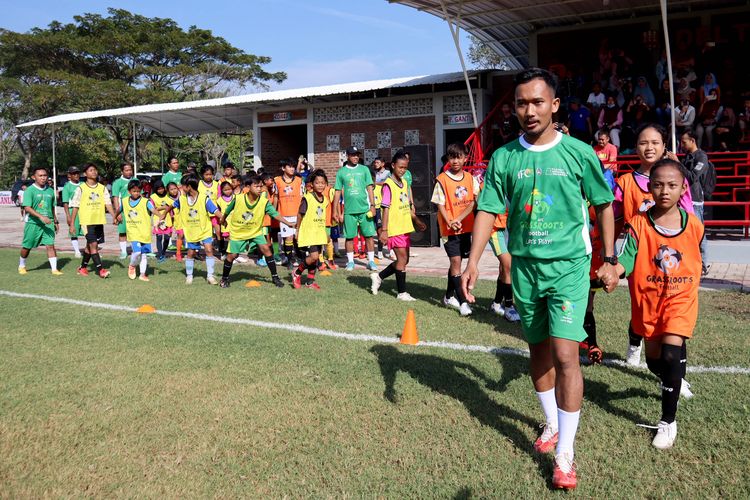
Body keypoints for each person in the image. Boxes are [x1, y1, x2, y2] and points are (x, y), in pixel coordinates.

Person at [461, 68, 616, 490]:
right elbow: (487, 211)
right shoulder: (505, 157)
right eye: (521, 103)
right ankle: (551, 423)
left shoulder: (579, 153)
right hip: (525, 270)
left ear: (554, 105)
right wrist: (473, 261)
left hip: (569, 267)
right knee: (539, 351)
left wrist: (612, 258)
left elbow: (603, 205)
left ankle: (566, 454)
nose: (529, 111)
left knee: (567, 355)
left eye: (537, 102)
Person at [599, 159, 702, 449]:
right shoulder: (638, 225)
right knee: (656, 360)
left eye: (672, 185)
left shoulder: (694, 225)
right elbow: (627, 258)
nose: (664, 191)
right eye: (658, 185)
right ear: (649, 188)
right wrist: (614, 271)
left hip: (680, 300)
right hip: (649, 301)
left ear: (683, 188)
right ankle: (674, 380)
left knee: (671, 355)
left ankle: (667, 421)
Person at [614, 124, 694, 370]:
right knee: (642, 307)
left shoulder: (678, 179)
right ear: (635, 147)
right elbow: (615, 218)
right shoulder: (625, 182)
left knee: (675, 314)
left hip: (673, 260)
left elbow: (689, 217)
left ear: (664, 146)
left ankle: (676, 374)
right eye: (643, 143)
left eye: (655, 143)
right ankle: (635, 343)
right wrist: (608, 255)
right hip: (639, 258)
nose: (649, 148)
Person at [370, 152, 427, 300]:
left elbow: (407, 206)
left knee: (405, 260)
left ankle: (379, 276)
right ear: (393, 166)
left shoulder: (405, 183)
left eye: (405, 168)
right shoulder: (388, 185)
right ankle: (402, 293)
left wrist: (416, 220)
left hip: (405, 226)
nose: (403, 170)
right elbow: (386, 208)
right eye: (400, 167)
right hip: (394, 228)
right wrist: (384, 230)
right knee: (402, 260)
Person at [219, 175, 292, 289]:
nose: (259, 189)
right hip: (239, 232)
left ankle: (275, 277)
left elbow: (275, 214)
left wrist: (288, 223)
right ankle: (224, 278)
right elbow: (228, 210)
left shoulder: (264, 202)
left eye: (260, 186)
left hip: (255, 231)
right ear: (248, 187)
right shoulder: (238, 199)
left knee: (267, 250)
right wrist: (223, 220)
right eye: (256, 186)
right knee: (232, 256)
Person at [433, 142, 480, 317]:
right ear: (448, 159)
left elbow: (475, 200)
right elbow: (440, 204)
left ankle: (447, 296)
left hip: (466, 227)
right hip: (449, 230)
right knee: (455, 263)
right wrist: (450, 221)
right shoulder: (442, 180)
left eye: (459, 157)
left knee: (457, 264)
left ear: (465, 158)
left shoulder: (470, 178)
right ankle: (463, 302)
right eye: (452, 157)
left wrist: (459, 219)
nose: (455, 161)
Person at [167, 175, 222, 285]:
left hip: (204, 229)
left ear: (189, 187)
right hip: (191, 231)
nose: (180, 188)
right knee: (191, 253)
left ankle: (210, 276)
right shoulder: (182, 199)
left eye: (182, 186)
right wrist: (164, 214)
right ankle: (189, 275)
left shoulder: (204, 198)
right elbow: (172, 205)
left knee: (209, 250)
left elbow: (214, 210)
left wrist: (222, 218)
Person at [69, 163, 119, 278]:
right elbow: (75, 207)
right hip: (86, 222)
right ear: (85, 174)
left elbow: (108, 203)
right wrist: (72, 224)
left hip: (99, 221)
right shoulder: (81, 188)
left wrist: (114, 216)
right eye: (91, 170)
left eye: (95, 170)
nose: (94, 172)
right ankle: (101, 270)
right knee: (94, 245)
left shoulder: (102, 188)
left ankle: (82, 268)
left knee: (89, 246)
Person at [333, 146, 378, 271]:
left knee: (368, 236)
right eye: (353, 155)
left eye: (357, 155)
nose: (356, 157)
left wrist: (373, 206)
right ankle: (351, 262)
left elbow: (370, 188)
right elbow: (337, 192)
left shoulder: (364, 169)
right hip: (349, 211)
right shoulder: (341, 172)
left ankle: (371, 261)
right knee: (349, 237)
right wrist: (335, 211)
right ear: (347, 156)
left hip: (364, 209)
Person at [18, 166, 62, 276]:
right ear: (34, 177)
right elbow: (27, 207)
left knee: (50, 245)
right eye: (40, 175)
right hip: (33, 223)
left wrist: (55, 221)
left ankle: (54, 269)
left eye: (45, 175)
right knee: (27, 246)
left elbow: (52, 208)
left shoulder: (50, 191)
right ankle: (22, 265)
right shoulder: (29, 190)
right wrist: (41, 217)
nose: (43, 178)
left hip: (49, 223)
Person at [292, 170, 331, 290]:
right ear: (312, 184)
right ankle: (297, 272)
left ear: (326, 184)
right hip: (309, 232)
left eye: (322, 183)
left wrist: (326, 232)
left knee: (316, 258)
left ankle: (310, 282)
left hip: (319, 232)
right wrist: (297, 230)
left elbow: (323, 217)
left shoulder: (325, 200)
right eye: (317, 183)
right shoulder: (307, 198)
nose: (320, 185)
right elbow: (299, 215)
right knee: (314, 257)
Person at [680, 130, 712, 275]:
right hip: (684, 198)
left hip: (695, 200)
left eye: (684, 141)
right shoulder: (687, 156)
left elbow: (692, 177)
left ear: (692, 140)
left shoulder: (701, 157)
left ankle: (703, 264)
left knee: (699, 232)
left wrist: (676, 163)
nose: (682, 144)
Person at [120, 180, 156, 281]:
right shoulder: (124, 201)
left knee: (144, 254)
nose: (136, 193)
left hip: (144, 232)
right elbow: (119, 209)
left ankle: (142, 274)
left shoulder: (146, 201)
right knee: (137, 252)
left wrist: (160, 215)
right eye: (134, 191)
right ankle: (132, 265)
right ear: (129, 191)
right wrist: (116, 216)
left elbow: (153, 210)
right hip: (133, 231)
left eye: (138, 191)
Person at [488, 211, 520, 322]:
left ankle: (496, 304)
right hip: (495, 229)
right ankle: (509, 306)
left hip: (510, 226)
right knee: (508, 265)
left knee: (504, 268)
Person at [274, 158, 304, 267]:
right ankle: (289, 260)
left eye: (293, 166)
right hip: (284, 214)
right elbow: (276, 197)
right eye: (289, 166)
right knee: (288, 237)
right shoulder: (277, 181)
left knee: (297, 237)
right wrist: (273, 212)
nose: (292, 169)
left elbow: (303, 197)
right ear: (283, 168)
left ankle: (300, 257)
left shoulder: (299, 180)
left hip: (297, 213)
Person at [111, 162, 135, 259]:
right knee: (122, 232)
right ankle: (124, 252)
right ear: (122, 171)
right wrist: (118, 213)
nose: (129, 172)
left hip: (134, 212)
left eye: (130, 170)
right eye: (127, 170)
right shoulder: (117, 183)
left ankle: (135, 250)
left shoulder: (135, 180)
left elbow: (141, 195)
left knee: (135, 231)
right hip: (123, 212)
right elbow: (115, 198)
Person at [61, 165, 83, 257]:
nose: (76, 175)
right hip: (72, 210)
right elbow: (65, 203)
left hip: (83, 210)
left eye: (77, 173)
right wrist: (68, 216)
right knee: (74, 231)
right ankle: (77, 251)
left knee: (88, 231)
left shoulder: (83, 184)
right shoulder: (67, 187)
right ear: (70, 175)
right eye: (74, 173)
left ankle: (91, 250)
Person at [149, 180, 173, 263]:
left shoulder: (168, 195)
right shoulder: (153, 197)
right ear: (155, 189)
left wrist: (171, 214)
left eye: (162, 188)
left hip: (167, 219)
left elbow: (171, 206)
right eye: (158, 189)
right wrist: (163, 207)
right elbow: (152, 208)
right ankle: (160, 255)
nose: (161, 190)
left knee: (167, 238)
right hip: (158, 219)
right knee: (159, 238)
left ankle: (163, 252)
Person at [215, 181, 235, 258]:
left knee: (233, 237)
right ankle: (225, 253)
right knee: (226, 237)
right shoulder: (219, 200)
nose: (228, 191)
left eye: (229, 189)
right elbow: (218, 211)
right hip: (225, 222)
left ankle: (233, 253)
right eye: (225, 190)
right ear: (222, 191)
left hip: (234, 221)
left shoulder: (235, 198)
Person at [166, 182, 184, 262]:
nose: (174, 191)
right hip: (177, 218)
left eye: (175, 188)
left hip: (187, 217)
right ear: (168, 191)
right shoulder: (168, 199)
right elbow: (169, 210)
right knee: (180, 235)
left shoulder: (182, 194)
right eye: (171, 189)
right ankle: (178, 253)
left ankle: (193, 253)